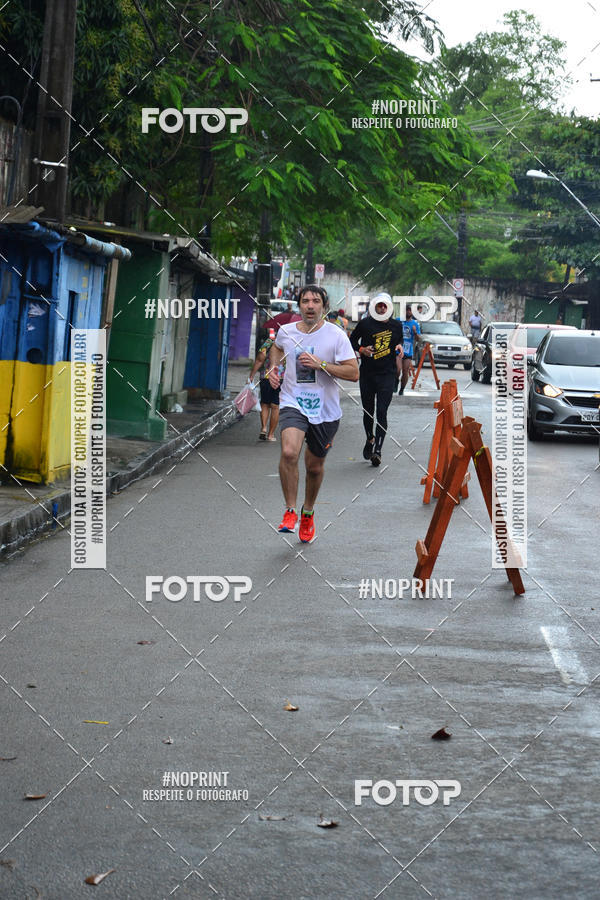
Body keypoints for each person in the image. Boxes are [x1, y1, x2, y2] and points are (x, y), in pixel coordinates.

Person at [268, 284, 359, 542]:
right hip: (292, 401)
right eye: (305, 301)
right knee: (288, 452)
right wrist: (274, 369)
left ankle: (308, 512)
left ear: (324, 306)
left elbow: (353, 373)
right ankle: (290, 511)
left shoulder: (336, 335)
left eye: (315, 301)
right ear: (299, 305)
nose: (310, 305)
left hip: (325, 410)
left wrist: (321, 365)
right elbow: (276, 347)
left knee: (315, 466)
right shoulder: (287, 332)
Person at [350, 293, 403, 467]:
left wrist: (399, 346)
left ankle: (378, 450)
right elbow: (351, 340)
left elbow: (398, 342)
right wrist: (361, 349)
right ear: (374, 307)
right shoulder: (365, 323)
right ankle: (370, 439)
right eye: (379, 305)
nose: (381, 308)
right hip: (367, 373)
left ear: (389, 308)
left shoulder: (396, 325)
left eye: (384, 306)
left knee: (382, 411)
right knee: (368, 411)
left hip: (387, 374)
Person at [248, 332, 280, 441]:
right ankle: (271, 435)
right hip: (282, 379)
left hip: (266, 377)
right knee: (275, 406)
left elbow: (260, 359)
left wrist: (252, 375)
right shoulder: (292, 343)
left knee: (265, 403)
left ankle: (264, 428)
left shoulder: (269, 342)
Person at [397, 304, 420, 395]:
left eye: (410, 310)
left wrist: (415, 332)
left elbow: (418, 339)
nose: (408, 312)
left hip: (408, 349)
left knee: (405, 370)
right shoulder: (398, 320)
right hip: (398, 347)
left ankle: (402, 389)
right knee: (398, 369)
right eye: (407, 310)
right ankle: (395, 381)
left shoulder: (415, 324)